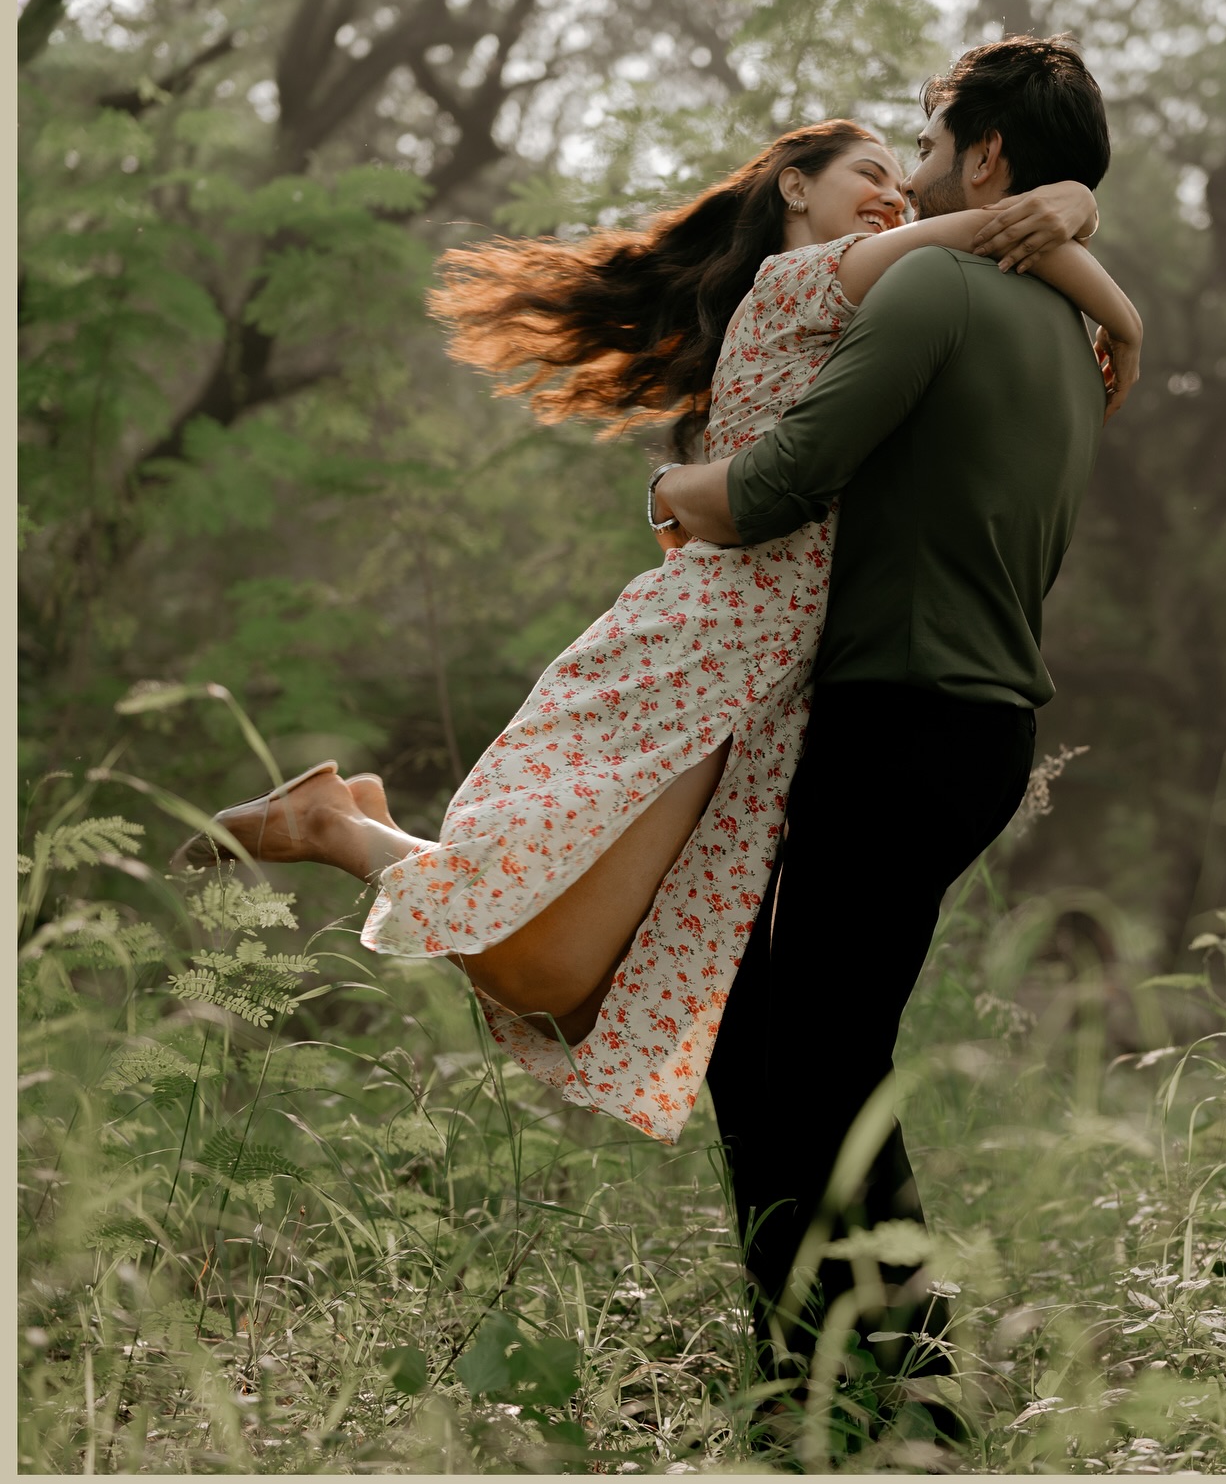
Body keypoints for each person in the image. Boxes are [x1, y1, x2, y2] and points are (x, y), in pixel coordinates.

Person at [178, 93, 1138, 1160]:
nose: (894, 191)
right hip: (718, 646)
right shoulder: (803, 280)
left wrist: (1096, 259)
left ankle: (348, 826)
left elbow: (1002, 251)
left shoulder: (888, 295)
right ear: (792, 188)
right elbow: (988, 235)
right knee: (538, 959)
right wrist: (1076, 218)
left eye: (901, 175)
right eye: (867, 171)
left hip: (781, 688)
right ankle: (336, 829)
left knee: (576, 982)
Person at [651, 33, 1128, 1421]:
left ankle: (842, 1395)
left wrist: (676, 490)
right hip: (972, 731)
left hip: (897, 720)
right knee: (815, 1053)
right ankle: (881, 1387)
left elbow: (778, 486)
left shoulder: (934, 285)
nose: (913, 183)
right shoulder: (1070, 325)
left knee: (789, 1063)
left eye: (927, 151)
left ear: (986, 158)